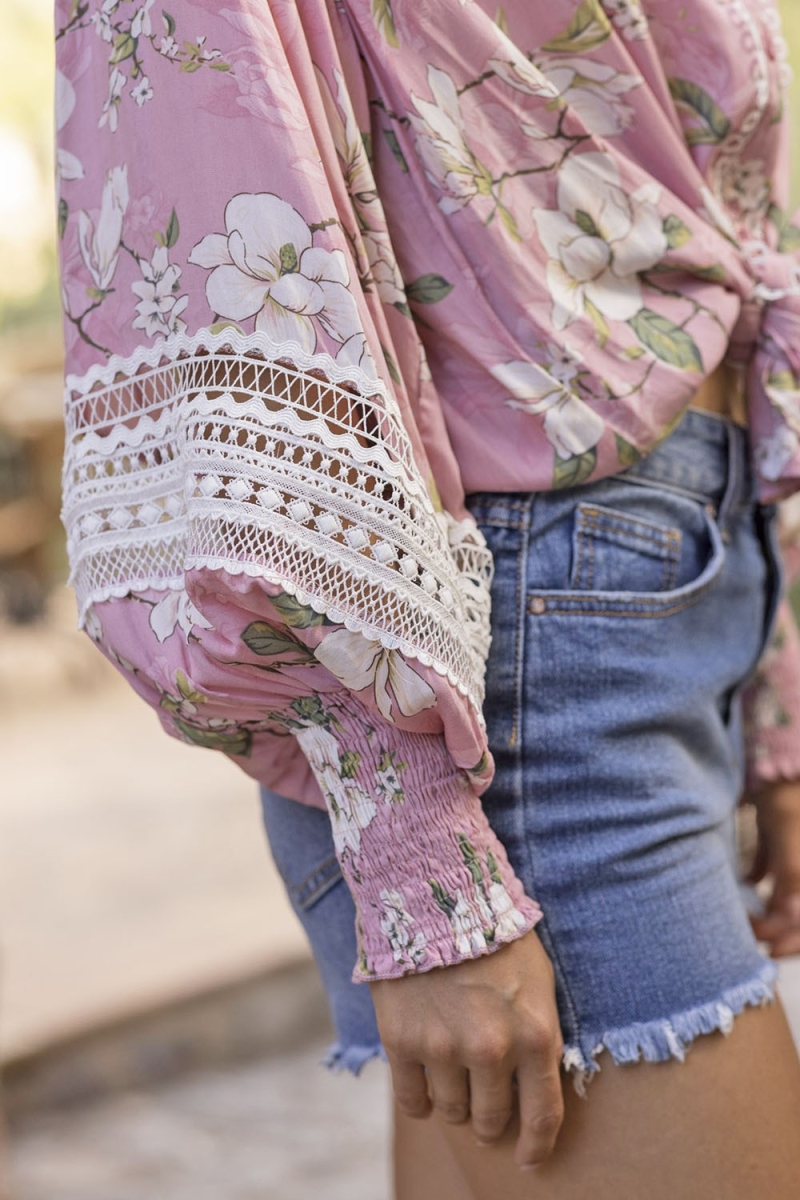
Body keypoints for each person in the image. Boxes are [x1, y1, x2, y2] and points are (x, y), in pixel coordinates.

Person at [55, 1, 800, 1195]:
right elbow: (207, 237)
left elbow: (694, 192)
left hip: (649, 590)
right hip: (486, 667)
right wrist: (413, 851)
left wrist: (765, 693)